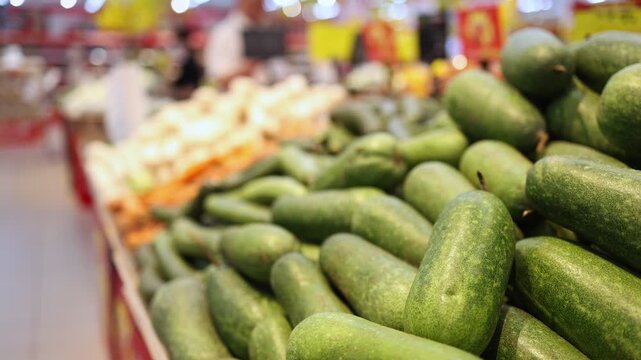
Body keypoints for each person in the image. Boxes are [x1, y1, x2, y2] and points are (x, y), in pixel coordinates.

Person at [204, 0, 265, 88]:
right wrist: (245, 70)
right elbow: (215, 78)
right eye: (254, 3)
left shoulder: (265, 28)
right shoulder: (223, 32)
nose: (259, 6)